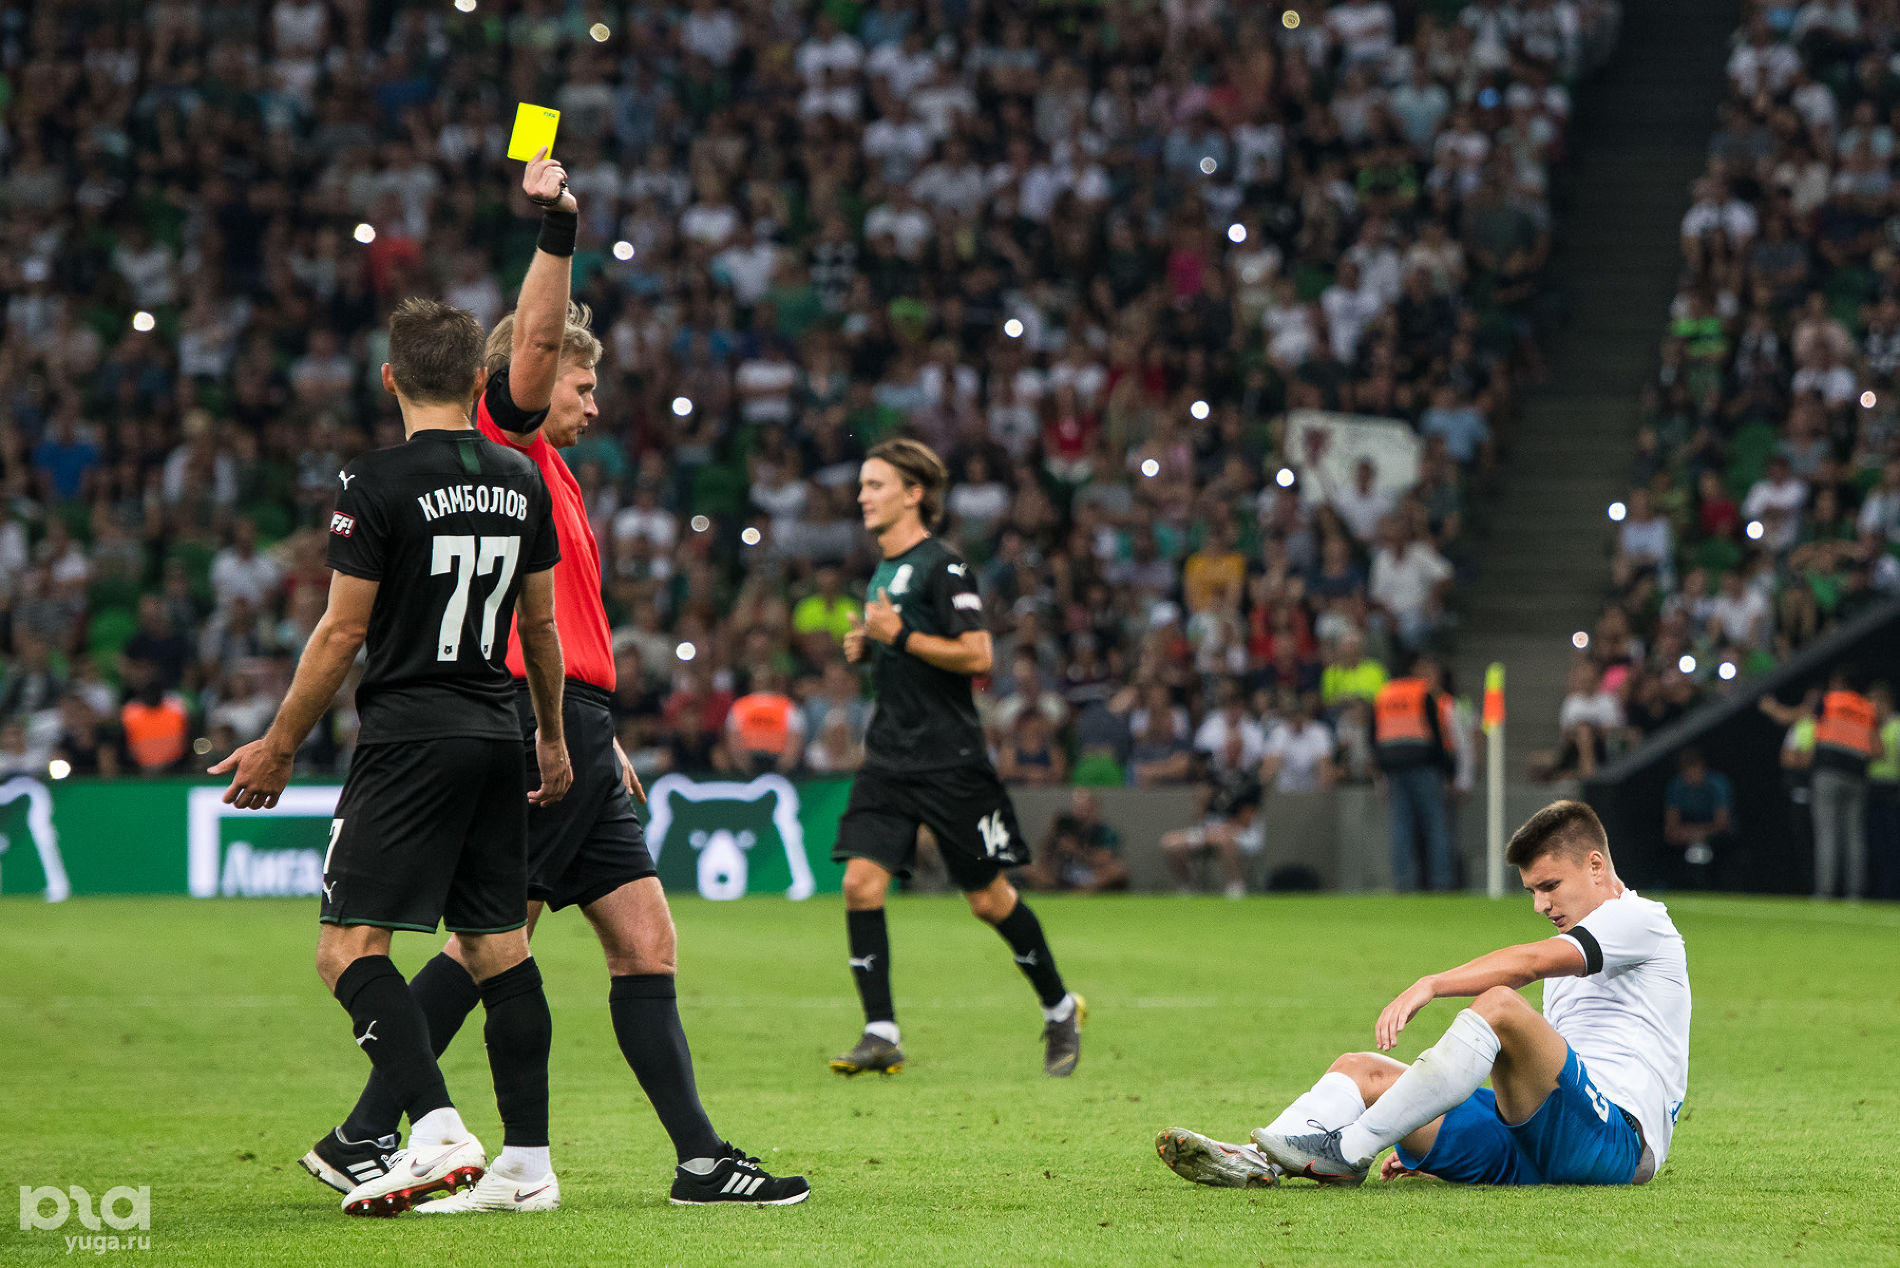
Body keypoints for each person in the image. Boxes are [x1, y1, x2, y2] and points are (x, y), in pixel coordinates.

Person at [301, 158, 806, 1210]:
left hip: (579, 721)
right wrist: (558, 227)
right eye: (582, 384)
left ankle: (697, 1159)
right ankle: (369, 1130)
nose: (590, 400)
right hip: (535, 727)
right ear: (521, 380)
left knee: (642, 940)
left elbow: (562, 622)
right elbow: (532, 342)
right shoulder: (505, 438)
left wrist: (599, 728)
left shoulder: (552, 475)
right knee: (495, 938)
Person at [212, 281, 571, 1214]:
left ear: (388, 379)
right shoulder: (521, 478)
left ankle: (438, 1130)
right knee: (499, 947)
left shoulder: (372, 482)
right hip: (496, 732)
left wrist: (280, 744)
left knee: (346, 948)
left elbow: (342, 632)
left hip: (412, 736)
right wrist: (552, 736)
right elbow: (540, 628)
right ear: (481, 380)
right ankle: (528, 1167)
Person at [1156, 800, 1689, 1191]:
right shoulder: (1584, 939)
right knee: (1362, 1070)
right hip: (1541, 1141)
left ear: (1595, 866)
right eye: (1531, 891)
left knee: (1501, 1004)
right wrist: (1415, 1127)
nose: (1539, 905)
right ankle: (1257, 1159)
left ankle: (1349, 1149)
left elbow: (1527, 965)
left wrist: (1432, 984)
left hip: (1618, 1145)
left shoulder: (1642, 920)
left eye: (1549, 886)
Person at [829, 438, 1084, 1079]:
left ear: (914, 494)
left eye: (876, 485)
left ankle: (1059, 1009)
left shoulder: (944, 566)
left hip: (949, 760)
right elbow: (906, 653)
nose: (863, 496)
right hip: (889, 756)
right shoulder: (883, 570)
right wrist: (872, 649)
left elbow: (979, 655)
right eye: (862, 485)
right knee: (860, 884)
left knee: (989, 901)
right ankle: (881, 1032)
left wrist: (900, 636)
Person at [1761, 668, 1878, 898]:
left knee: (1827, 833)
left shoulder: (1830, 700)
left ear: (1840, 682)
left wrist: (1772, 708)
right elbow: (1876, 747)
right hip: (1857, 775)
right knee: (1854, 837)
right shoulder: (1866, 708)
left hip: (1829, 773)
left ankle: (1825, 892)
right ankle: (1855, 894)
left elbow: (1796, 715)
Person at [1374, 653, 1457, 891]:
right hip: (1424, 765)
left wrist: (1381, 771)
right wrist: (1448, 770)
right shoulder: (1423, 693)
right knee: (1435, 825)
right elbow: (1436, 734)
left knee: (1401, 826)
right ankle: (1441, 881)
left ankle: (1403, 882)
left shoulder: (1384, 694)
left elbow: (1375, 734)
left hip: (1394, 768)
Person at [1018, 788, 1129, 893]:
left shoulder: (1105, 831)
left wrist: (1075, 850)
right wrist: (1052, 833)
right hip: (1063, 872)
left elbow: (1102, 860)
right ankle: (1065, 891)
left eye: (1088, 808)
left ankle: (1078, 891)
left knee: (1117, 869)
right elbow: (1044, 856)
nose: (1084, 812)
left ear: (1095, 809)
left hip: (1090, 874)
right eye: (1080, 807)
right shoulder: (1065, 827)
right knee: (1029, 869)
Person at [1663, 747, 1733, 889]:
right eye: (1688, 771)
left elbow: (1723, 823)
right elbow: (1670, 828)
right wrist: (1691, 834)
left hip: (1716, 836)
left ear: (1702, 767)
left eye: (1695, 769)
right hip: (1686, 836)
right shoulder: (1676, 787)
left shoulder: (1717, 785)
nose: (1692, 775)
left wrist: (1701, 833)